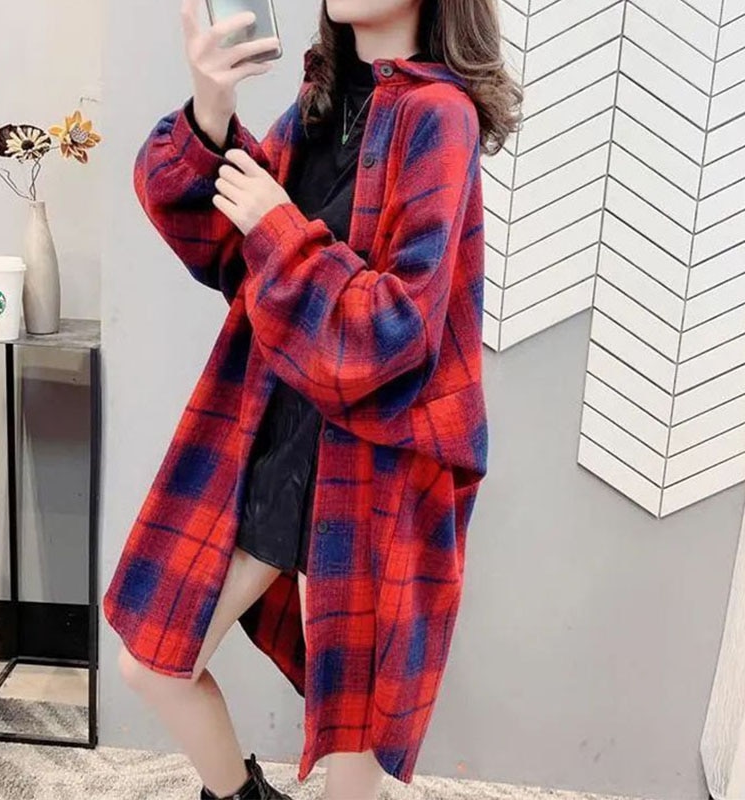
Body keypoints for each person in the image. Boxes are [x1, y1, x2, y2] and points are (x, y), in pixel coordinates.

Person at [103, 1, 522, 798]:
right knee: (154, 661)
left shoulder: (438, 116)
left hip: (372, 465)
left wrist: (279, 226)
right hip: (278, 432)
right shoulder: (321, 103)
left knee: (350, 736)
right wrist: (211, 107)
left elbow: (397, 329)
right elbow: (227, 246)